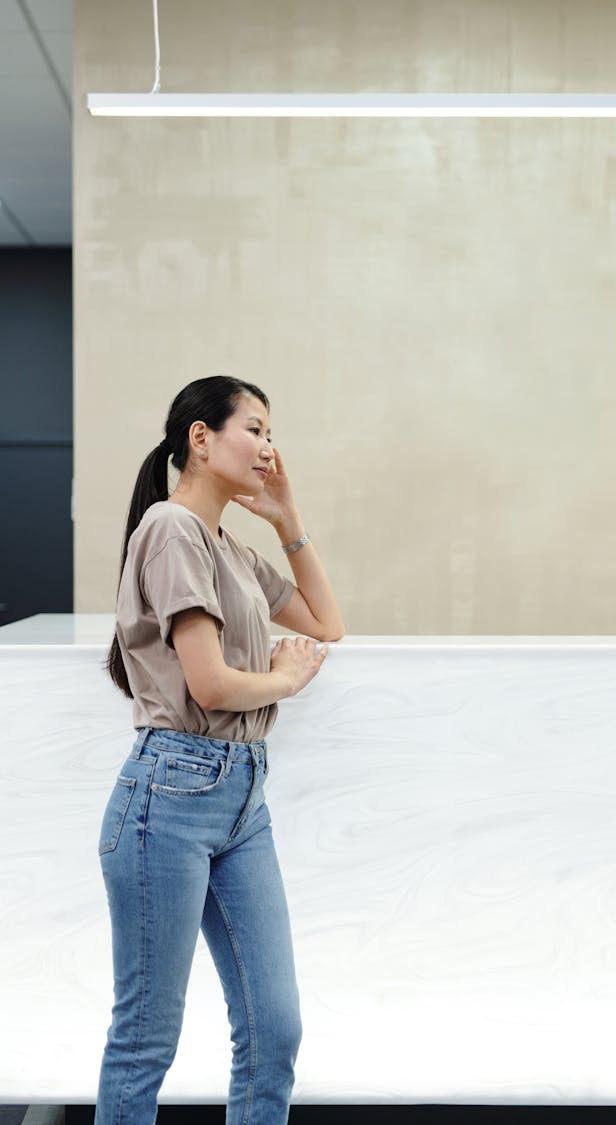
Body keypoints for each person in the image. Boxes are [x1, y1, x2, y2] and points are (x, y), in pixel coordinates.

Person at [96, 375, 344, 1125]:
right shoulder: (170, 529)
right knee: (146, 1039)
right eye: (255, 428)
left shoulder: (226, 547)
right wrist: (283, 681)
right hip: (167, 798)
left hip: (242, 800)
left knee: (275, 1029)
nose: (268, 446)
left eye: (272, 433)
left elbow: (325, 623)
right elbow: (208, 685)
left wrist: (287, 517)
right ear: (200, 439)